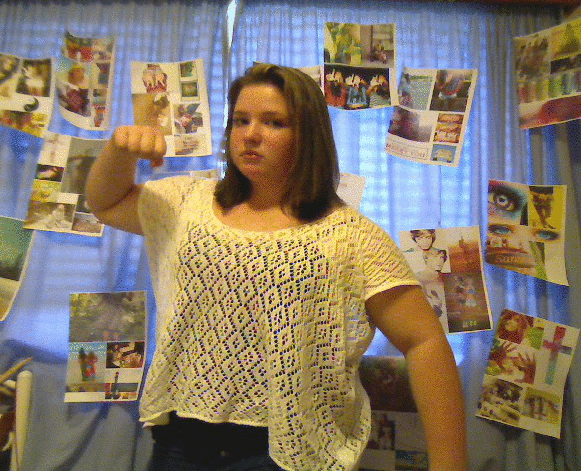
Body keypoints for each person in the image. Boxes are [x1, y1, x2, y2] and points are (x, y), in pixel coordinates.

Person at [85, 64, 467, 471]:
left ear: (308, 136)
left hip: (289, 453)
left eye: (274, 122)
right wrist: (118, 152)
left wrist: (451, 465)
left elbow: (424, 342)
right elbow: (106, 203)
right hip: (181, 443)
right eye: (241, 120)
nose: (250, 134)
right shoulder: (186, 204)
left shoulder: (350, 237)